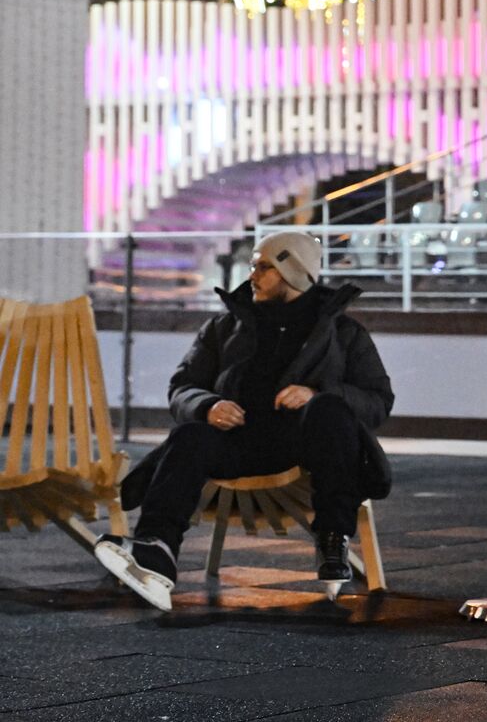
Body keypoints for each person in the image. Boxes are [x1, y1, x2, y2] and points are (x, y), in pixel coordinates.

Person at [95, 232, 394, 611]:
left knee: (329, 410)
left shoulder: (343, 333)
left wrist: (317, 394)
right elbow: (183, 387)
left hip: (304, 448)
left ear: (295, 271)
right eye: (253, 265)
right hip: (236, 442)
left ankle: (333, 539)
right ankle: (156, 550)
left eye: (264, 267)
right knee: (190, 435)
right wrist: (207, 406)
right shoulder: (224, 327)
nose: (252, 275)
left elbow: (378, 400)